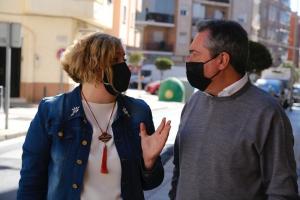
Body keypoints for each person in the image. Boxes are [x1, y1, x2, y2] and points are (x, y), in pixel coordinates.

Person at [17, 33, 171, 200]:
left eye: (123, 59)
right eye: (115, 60)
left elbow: (150, 183)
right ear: (92, 66)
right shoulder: (53, 111)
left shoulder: (138, 112)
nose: (124, 67)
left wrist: (149, 163)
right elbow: (31, 183)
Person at [169, 20, 299, 200]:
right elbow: (179, 170)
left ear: (221, 60)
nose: (188, 61)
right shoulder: (194, 101)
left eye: (194, 54)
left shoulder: (267, 113)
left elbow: (282, 192)